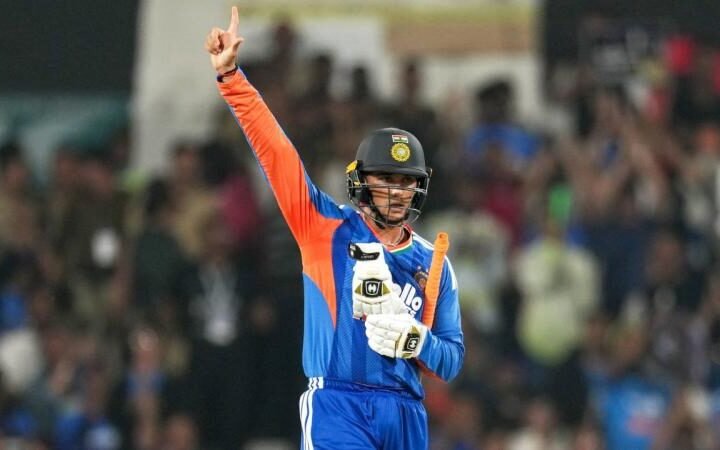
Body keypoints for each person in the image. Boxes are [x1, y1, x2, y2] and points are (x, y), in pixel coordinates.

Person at [204, 7, 464, 449]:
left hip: (406, 412)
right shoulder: (324, 227)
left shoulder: (433, 262)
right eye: (385, 178)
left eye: (406, 181)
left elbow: (451, 360)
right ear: (361, 182)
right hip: (337, 406)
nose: (397, 191)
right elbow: (278, 155)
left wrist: (416, 340)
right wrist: (232, 79)